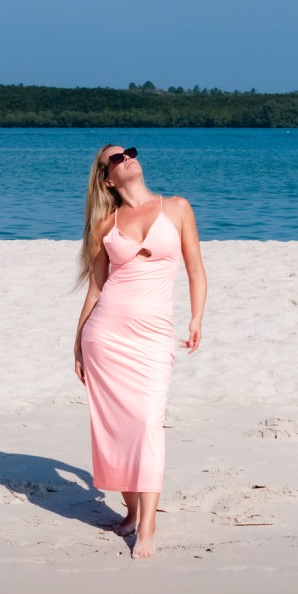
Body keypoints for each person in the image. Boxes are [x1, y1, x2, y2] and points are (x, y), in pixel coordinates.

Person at [74, 145, 207, 559]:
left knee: (148, 422)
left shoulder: (178, 207)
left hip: (153, 336)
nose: (126, 157)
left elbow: (196, 269)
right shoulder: (104, 225)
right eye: (115, 158)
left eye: (129, 151)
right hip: (106, 337)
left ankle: (148, 525)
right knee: (117, 429)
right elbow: (96, 287)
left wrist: (197, 318)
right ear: (107, 179)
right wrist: (77, 341)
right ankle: (132, 512)